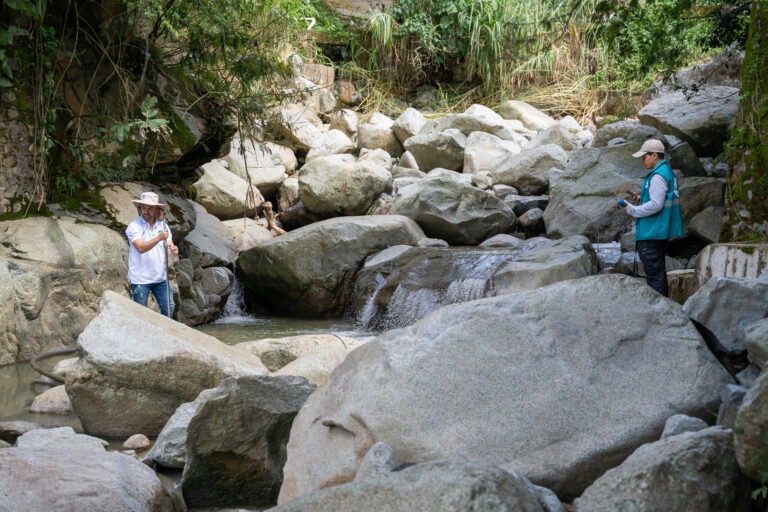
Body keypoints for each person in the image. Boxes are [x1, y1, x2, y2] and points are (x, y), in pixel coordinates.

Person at [618, 139, 683, 297]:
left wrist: (631, 209)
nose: (642, 160)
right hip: (659, 230)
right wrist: (642, 198)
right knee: (658, 273)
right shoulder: (666, 171)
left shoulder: (657, 176)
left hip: (652, 232)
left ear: (654, 155)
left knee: (655, 276)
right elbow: (660, 198)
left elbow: (656, 205)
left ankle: (659, 311)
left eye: (644, 157)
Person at [126, 191, 179, 316]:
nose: (146, 211)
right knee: (141, 314)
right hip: (140, 278)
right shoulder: (134, 226)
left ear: (157, 209)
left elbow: (168, 245)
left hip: (160, 277)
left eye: (150, 208)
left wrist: (173, 249)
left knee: (169, 308)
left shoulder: (163, 225)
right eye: (143, 208)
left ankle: (165, 334)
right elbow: (140, 248)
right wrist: (159, 238)